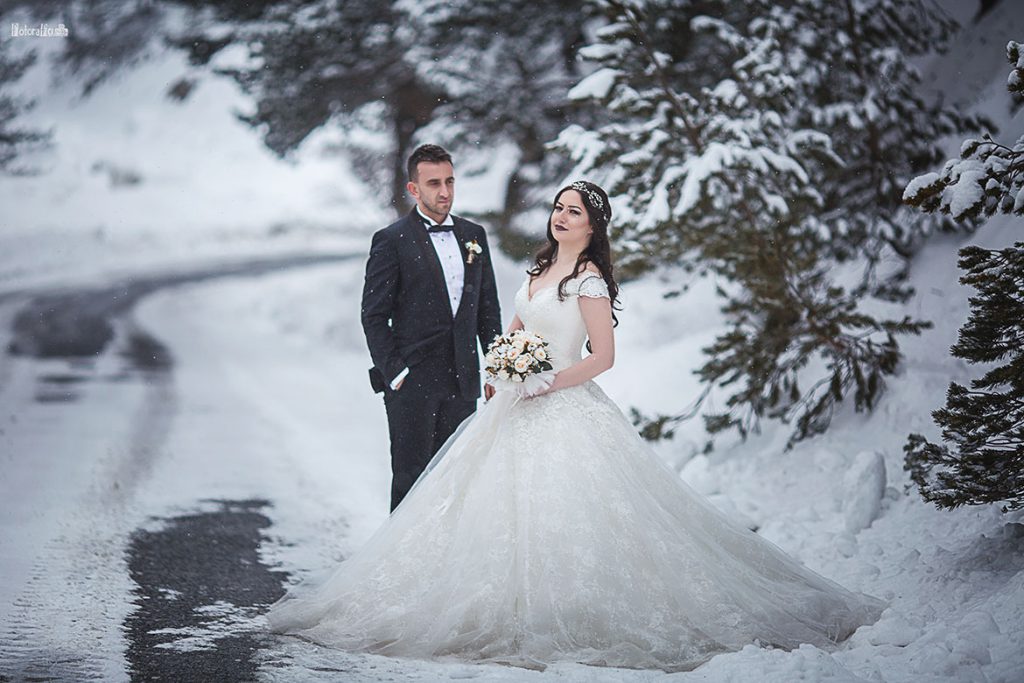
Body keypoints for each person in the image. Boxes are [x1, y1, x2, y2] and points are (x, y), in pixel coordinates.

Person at [269, 181, 885, 672]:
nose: (562, 217)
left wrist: (546, 381)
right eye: (559, 207)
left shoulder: (588, 278)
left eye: (574, 211)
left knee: (573, 514)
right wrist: (502, 367)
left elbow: (602, 356)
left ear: (593, 226)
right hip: (513, 403)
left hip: (564, 406)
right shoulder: (537, 271)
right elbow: (516, 330)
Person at [360, 144, 502, 511]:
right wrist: (396, 372)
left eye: (450, 182)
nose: (445, 192)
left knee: (458, 482)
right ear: (413, 189)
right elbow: (374, 315)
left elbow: (487, 309)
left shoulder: (474, 235)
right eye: (434, 183)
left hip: (463, 380)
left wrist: (497, 368)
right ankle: (402, 567)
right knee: (411, 483)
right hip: (413, 384)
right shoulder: (391, 240)